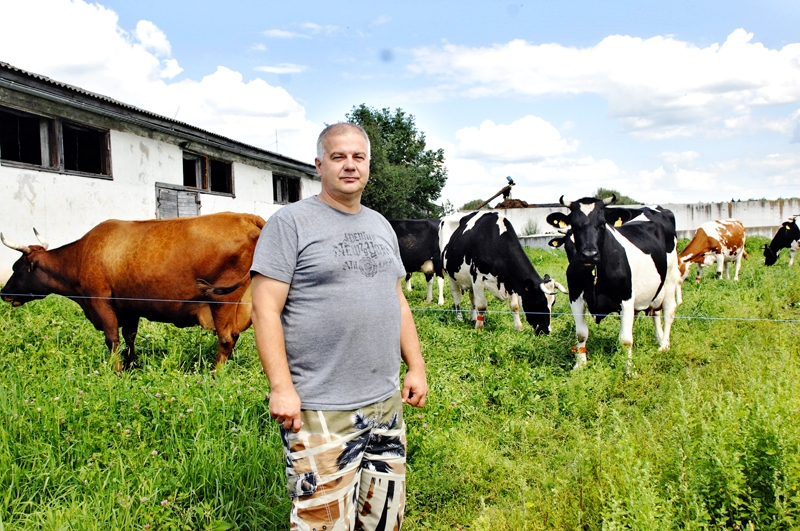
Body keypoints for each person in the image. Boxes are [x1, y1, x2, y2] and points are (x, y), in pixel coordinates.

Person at [250, 122, 428, 530]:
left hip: (385, 406)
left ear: (368, 166)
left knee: (383, 518)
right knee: (323, 522)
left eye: (358, 157)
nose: (350, 165)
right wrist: (281, 388)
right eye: (338, 157)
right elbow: (264, 310)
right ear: (319, 165)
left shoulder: (380, 225)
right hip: (319, 410)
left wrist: (415, 366)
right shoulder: (290, 223)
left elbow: (397, 301)